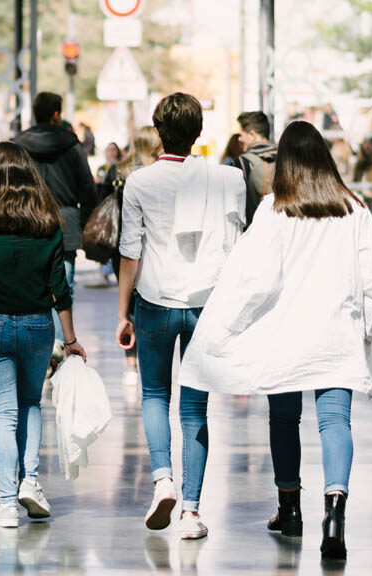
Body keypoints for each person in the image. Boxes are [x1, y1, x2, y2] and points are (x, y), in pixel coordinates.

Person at [178, 121, 372, 559]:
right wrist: (364, 333)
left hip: (287, 335)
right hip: (336, 333)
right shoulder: (355, 208)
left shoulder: (275, 209)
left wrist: (225, 328)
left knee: (284, 421)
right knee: (335, 423)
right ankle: (335, 514)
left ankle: (289, 510)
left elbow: (254, 280)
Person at [115, 93, 246, 540]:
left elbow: (130, 252)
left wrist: (122, 313)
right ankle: (191, 513)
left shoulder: (139, 182)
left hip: (154, 299)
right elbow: (238, 242)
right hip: (206, 304)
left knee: (154, 395)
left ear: (157, 130)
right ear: (199, 131)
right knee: (195, 408)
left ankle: (163, 479)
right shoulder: (229, 179)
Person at [0, 141, 88, 528]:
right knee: (31, 404)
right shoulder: (46, 226)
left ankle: (6, 504)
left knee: (3, 413)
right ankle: (31, 481)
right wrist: (72, 338)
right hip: (37, 326)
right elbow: (59, 287)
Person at [14, 92, 97, 348]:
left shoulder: (18, 146)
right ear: (56, 115)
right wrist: (84, 222)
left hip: (27, 219)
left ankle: (36, 342)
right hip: (66, 221)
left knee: (30, 284)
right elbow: (87, 187)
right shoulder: (73, 147)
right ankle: (59, 344)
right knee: (64, 285)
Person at [99, 127, 162, 386]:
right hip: (155, 244)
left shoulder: (117, 171)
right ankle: (150, 359)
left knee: (129, 300)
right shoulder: (158, 173)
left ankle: (130, 365)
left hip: (121, 246)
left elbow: (100, 201)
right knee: (150, 300)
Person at [236, 111, 278, 226]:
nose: (239, 139)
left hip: (254, 228)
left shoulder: (241, 163)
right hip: (282, 225)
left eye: (242, 134)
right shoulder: (284, 158)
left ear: (253, 135)